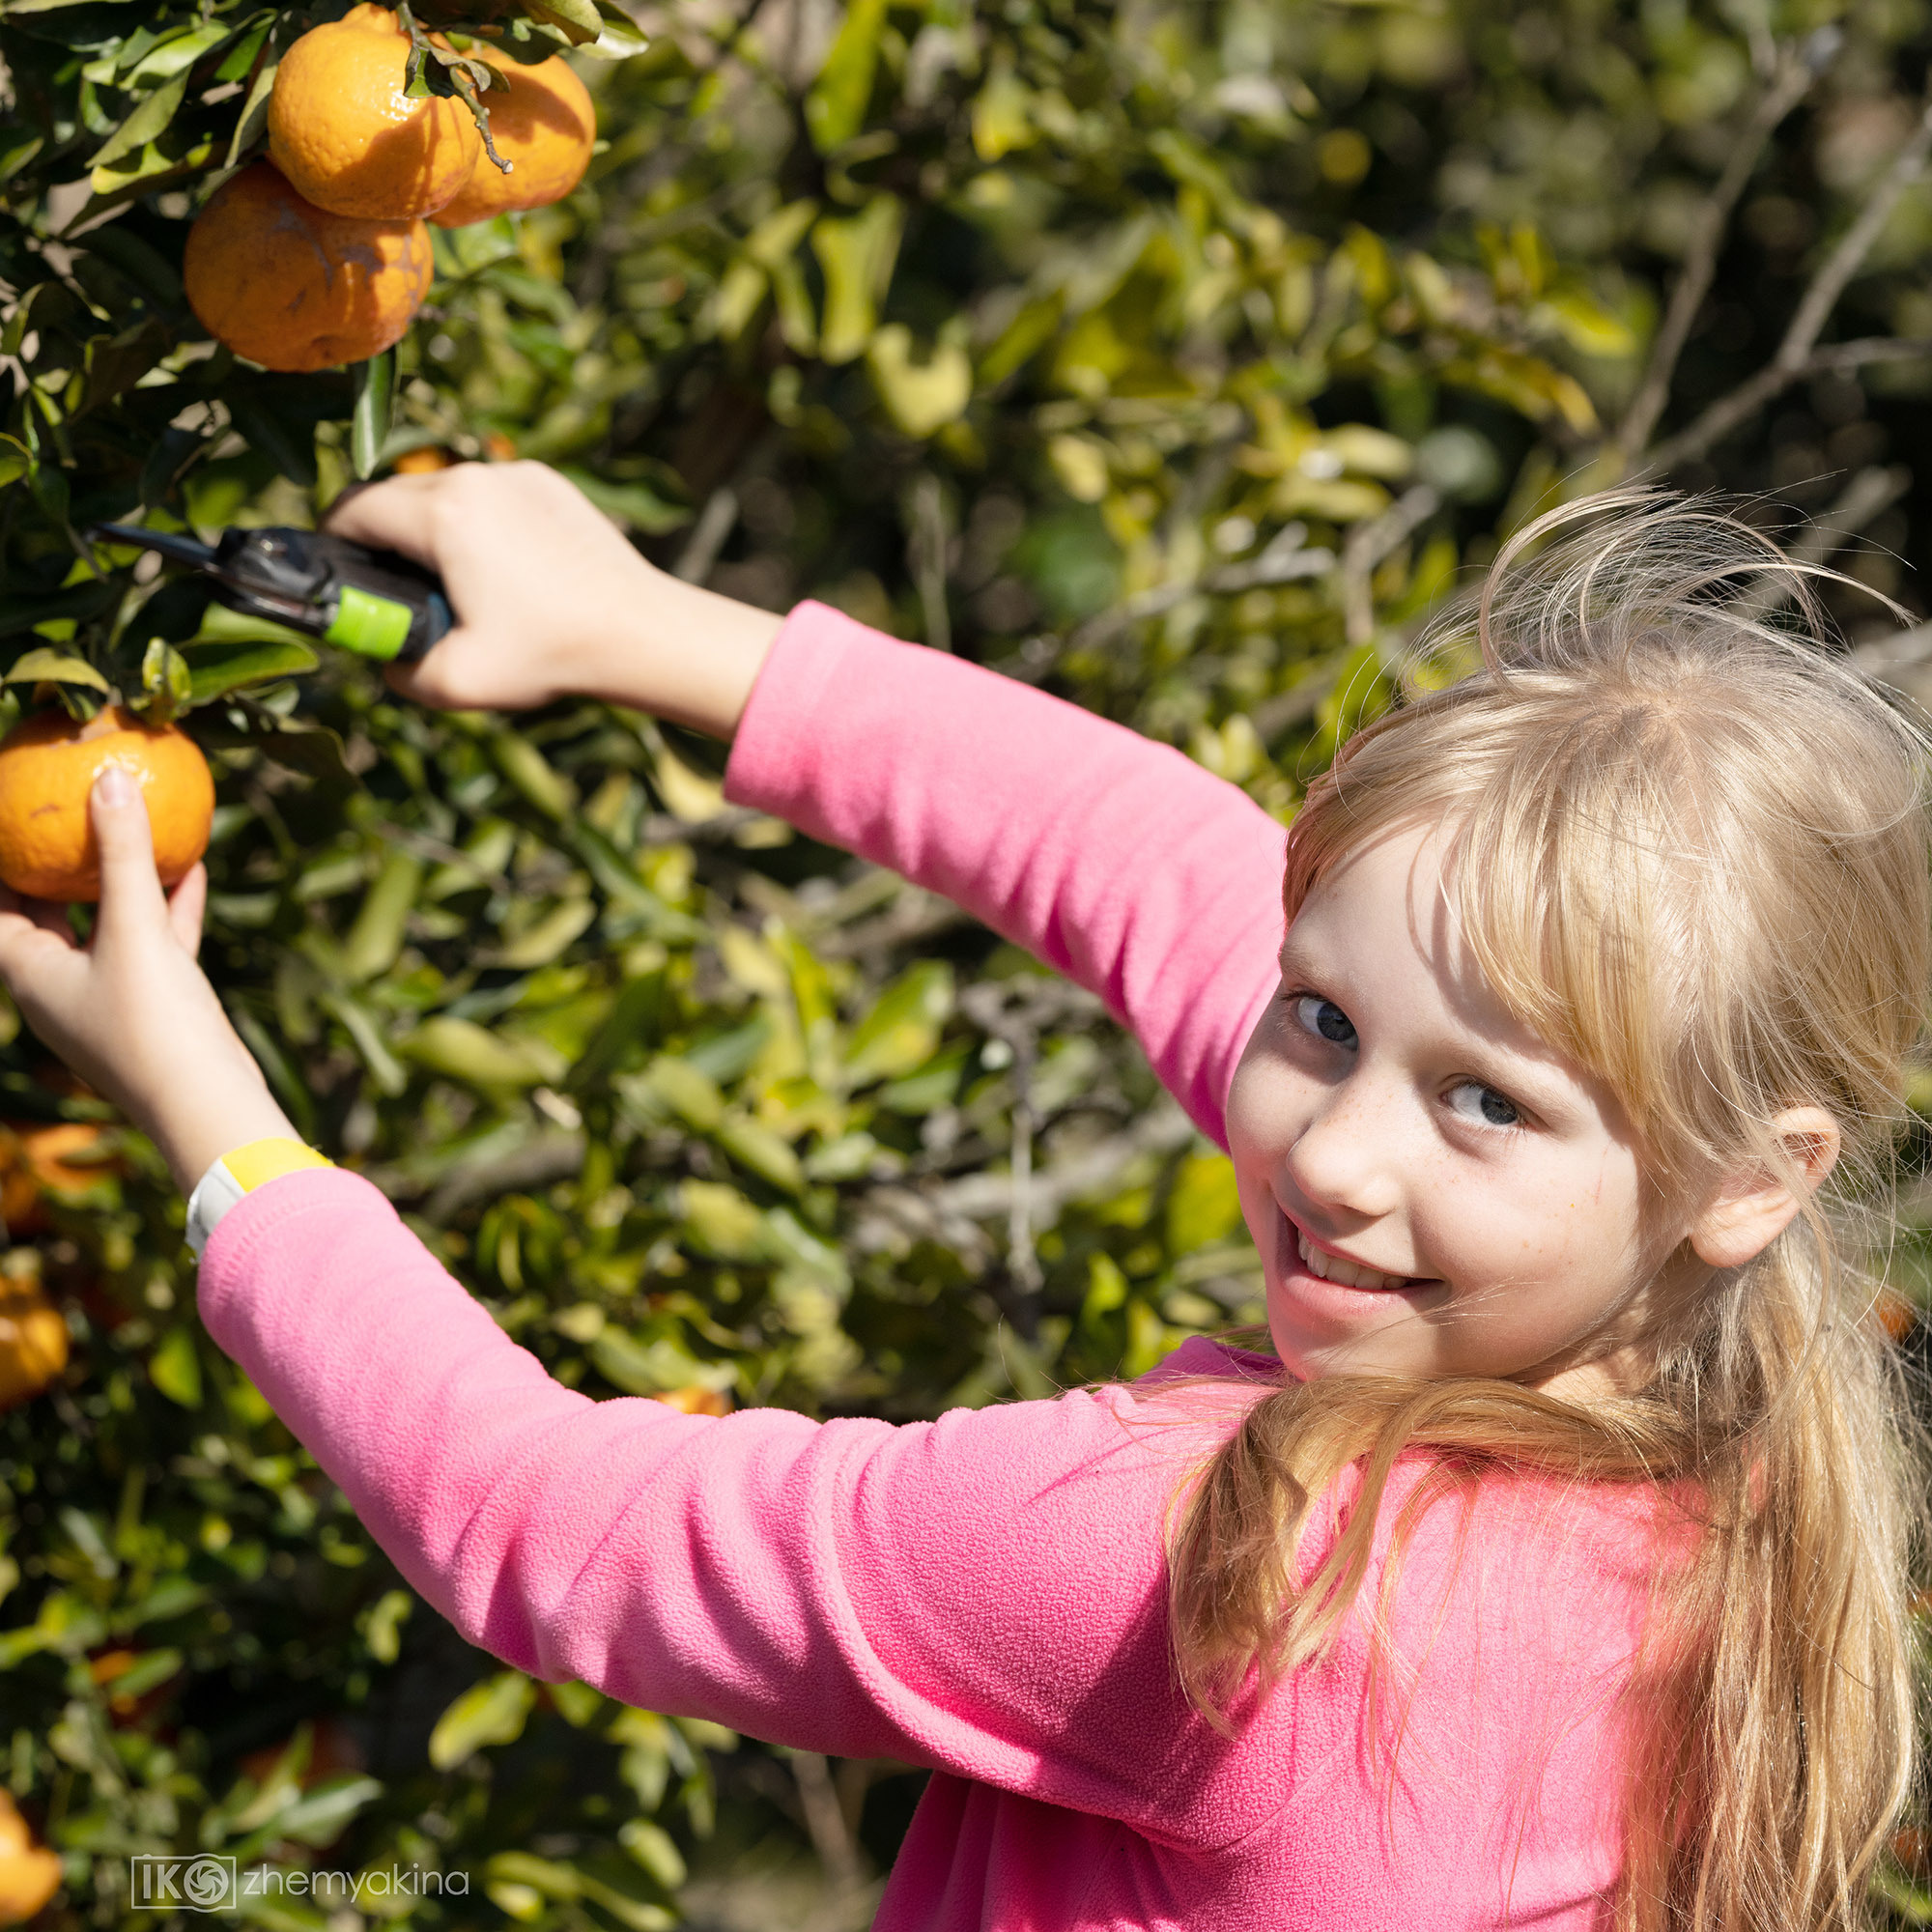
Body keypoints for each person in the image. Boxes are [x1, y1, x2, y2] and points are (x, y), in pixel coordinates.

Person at [1, 470, 1923, 1931]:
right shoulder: (1735, 1477)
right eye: (1320, 1018)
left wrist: (206, 1110)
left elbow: (545, 1520)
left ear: (1744, 1177)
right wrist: (645, 628)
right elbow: (1160, 870)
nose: (1336, 1152)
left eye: (1481, 1103)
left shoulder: (1205, 1565)